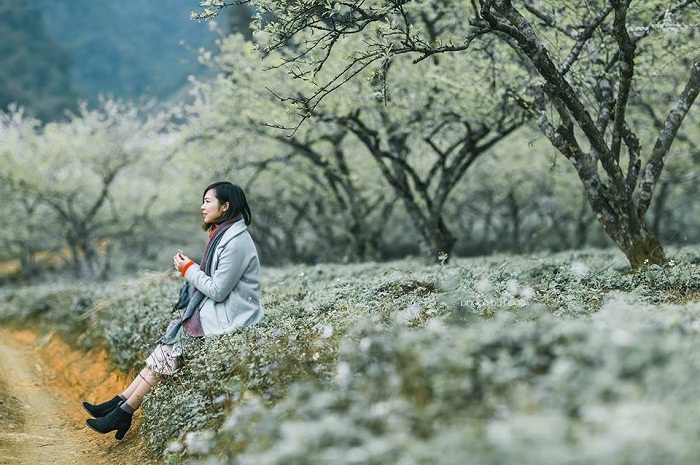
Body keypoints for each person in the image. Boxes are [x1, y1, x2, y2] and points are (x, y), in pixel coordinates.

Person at [83, 181, 264, 440]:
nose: (202, 207)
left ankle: (123, 410)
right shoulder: (222, 233)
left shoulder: (235, 242)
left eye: (208, 201)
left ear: (225, 207)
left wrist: (188, 269)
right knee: (167, 347)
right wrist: (190, 269)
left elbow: (218, 290)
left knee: (170, 349)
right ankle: (120, 404)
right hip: (219, 311)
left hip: (232, 317)